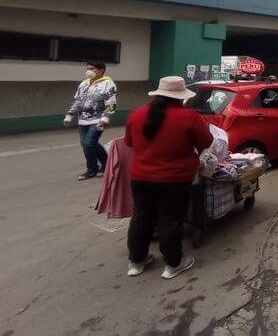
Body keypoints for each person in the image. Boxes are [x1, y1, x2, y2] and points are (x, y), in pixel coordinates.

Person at [124, 76, 213, 279]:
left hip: (140, 177)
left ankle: (137, 262)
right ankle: (173, 264)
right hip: (175, 179)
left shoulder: (136, 115)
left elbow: (129, 143)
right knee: (170, 220)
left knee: (141, 218)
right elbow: (206, 141)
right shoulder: (189, 117)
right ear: (180, 98)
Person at [64, 61, 117, 181]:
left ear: (101, 70)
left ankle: (91, 169)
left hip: (98, 120)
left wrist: (105, 117)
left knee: (89, 143)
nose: (89, 71)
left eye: (92, 68)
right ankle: (105, 164)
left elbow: (111, 103)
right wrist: (70, 115)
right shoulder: (84, 83)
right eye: (88, 68)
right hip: (82, 120)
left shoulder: (108, 84)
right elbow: (78, 101)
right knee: (86, 145)